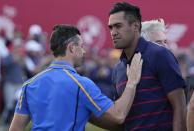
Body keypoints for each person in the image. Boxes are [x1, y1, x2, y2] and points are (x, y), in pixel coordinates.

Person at [9, 24, 143, 131]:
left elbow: (15, 129)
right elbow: (118, 116)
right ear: (72, 48)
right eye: (82, 46)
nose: (84, 51)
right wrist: (131, 81)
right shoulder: (81, 84)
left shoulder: (30, 84)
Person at [108, 2, 187, 131]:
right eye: (110, 28)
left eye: (118, 26)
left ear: (135, 26)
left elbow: (180, 105)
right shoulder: (118, 69)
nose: (113, 32)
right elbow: (121, 116)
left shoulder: (160, 54)